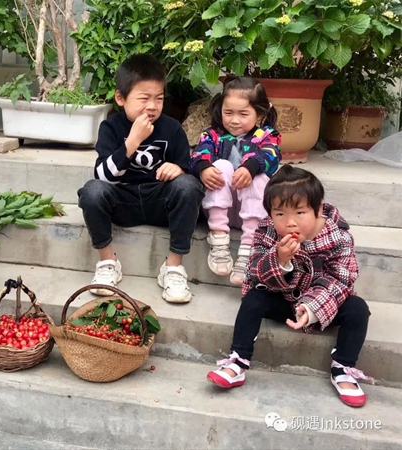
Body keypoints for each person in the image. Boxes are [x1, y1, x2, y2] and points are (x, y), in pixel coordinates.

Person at [206, 165, 373, 407]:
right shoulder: (266, 230)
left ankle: (344, 368)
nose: (290, 223)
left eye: (300, 213)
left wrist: (312, 307)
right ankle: (238, 361)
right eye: (280, 214)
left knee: (358, 308)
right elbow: (254, 272)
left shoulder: (338, 235)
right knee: (253, 298)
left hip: (324, 302)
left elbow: (342, 278)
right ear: (270, 214)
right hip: (283, 299)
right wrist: (279, 260)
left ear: (317, 210)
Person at [77, 54, 204, 303]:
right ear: (120, 98)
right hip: (123, 201)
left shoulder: (172, 128)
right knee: (91, 191)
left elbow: (187, 170)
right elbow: (103, 177)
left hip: (160, 202)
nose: (152, 106)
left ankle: (174, 267)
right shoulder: (110, 128)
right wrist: (133, 141)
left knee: (189, 186)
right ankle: (108, 262)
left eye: (159, 98)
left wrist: (178, 170)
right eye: (144, 98)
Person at [190, 77, 281, 286]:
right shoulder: (212, 135)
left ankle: (249, 247)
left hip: (253, 213)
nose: (234, 120)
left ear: (259, 113)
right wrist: (203, 168)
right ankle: (219, 238)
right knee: (220, 166)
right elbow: (198, 155)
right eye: (228, 112)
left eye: (243, 114)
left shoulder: (267, 135)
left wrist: (250, 167)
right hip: (219, 210)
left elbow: (271, 156)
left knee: (258, 176)